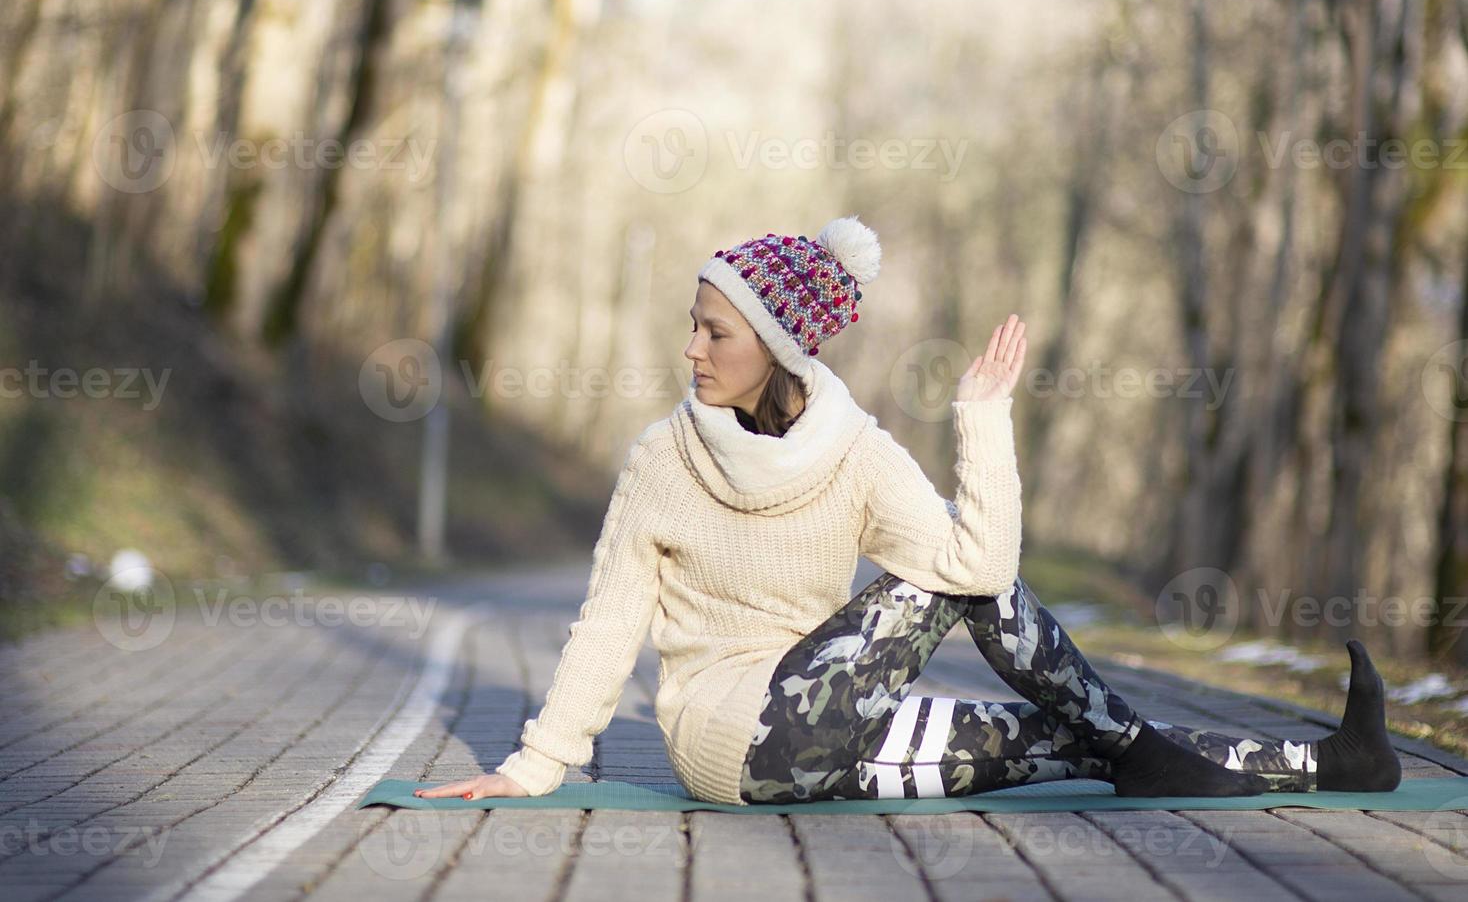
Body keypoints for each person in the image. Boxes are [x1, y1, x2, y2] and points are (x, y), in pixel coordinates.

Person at [416, 217, 1400, 804]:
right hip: (726, 734)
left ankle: (1329, 762)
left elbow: (984, 562)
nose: (692, 349)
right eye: (693, 327)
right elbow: (608, 618)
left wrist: (981, 417)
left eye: (713, 330)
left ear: (775, 346)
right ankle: (1142, 746)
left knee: (1063, 739)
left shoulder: (857, 455)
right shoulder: (661, 458)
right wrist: (539, 760)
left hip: (827, 728)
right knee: (969, 583)